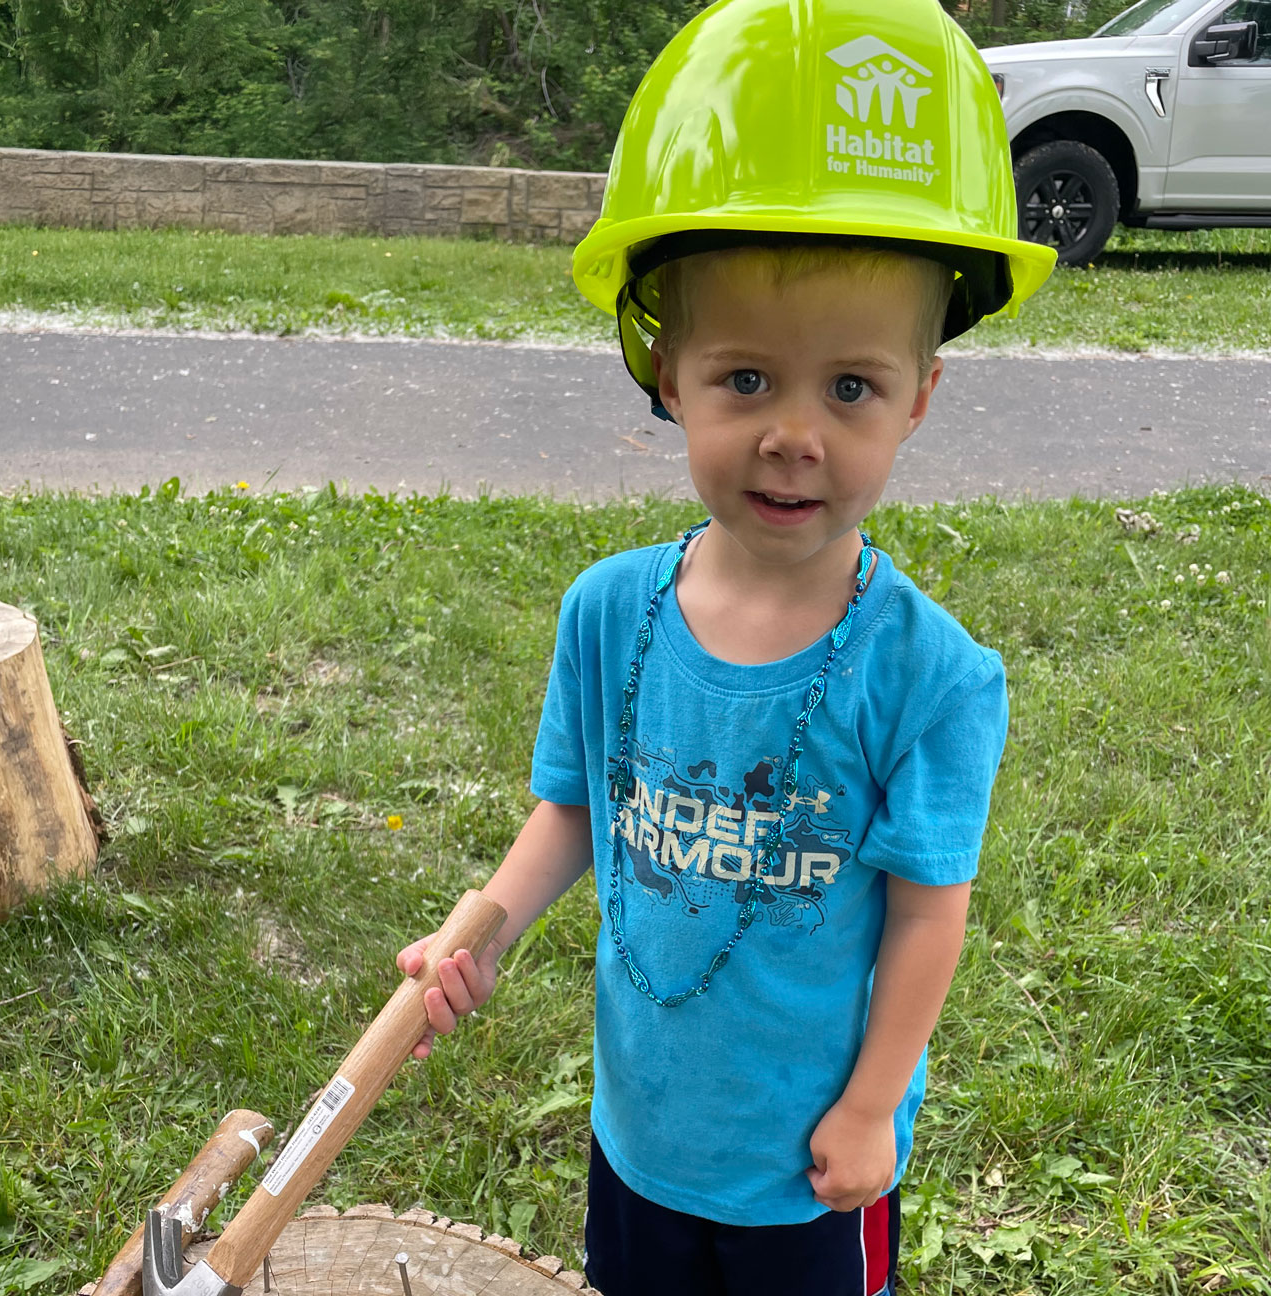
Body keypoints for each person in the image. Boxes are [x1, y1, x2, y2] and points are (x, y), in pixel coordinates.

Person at [395, 3, 1058, 1293]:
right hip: (641, 1142)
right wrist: (479, 930)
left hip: (809, 1172)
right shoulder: (606, 612)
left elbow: (929, 917)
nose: (793, 434)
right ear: (666, 371)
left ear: (921, 394)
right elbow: (572, 816)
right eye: (745, 379)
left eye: (850, 387)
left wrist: (873, 1109)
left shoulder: (934, 676)